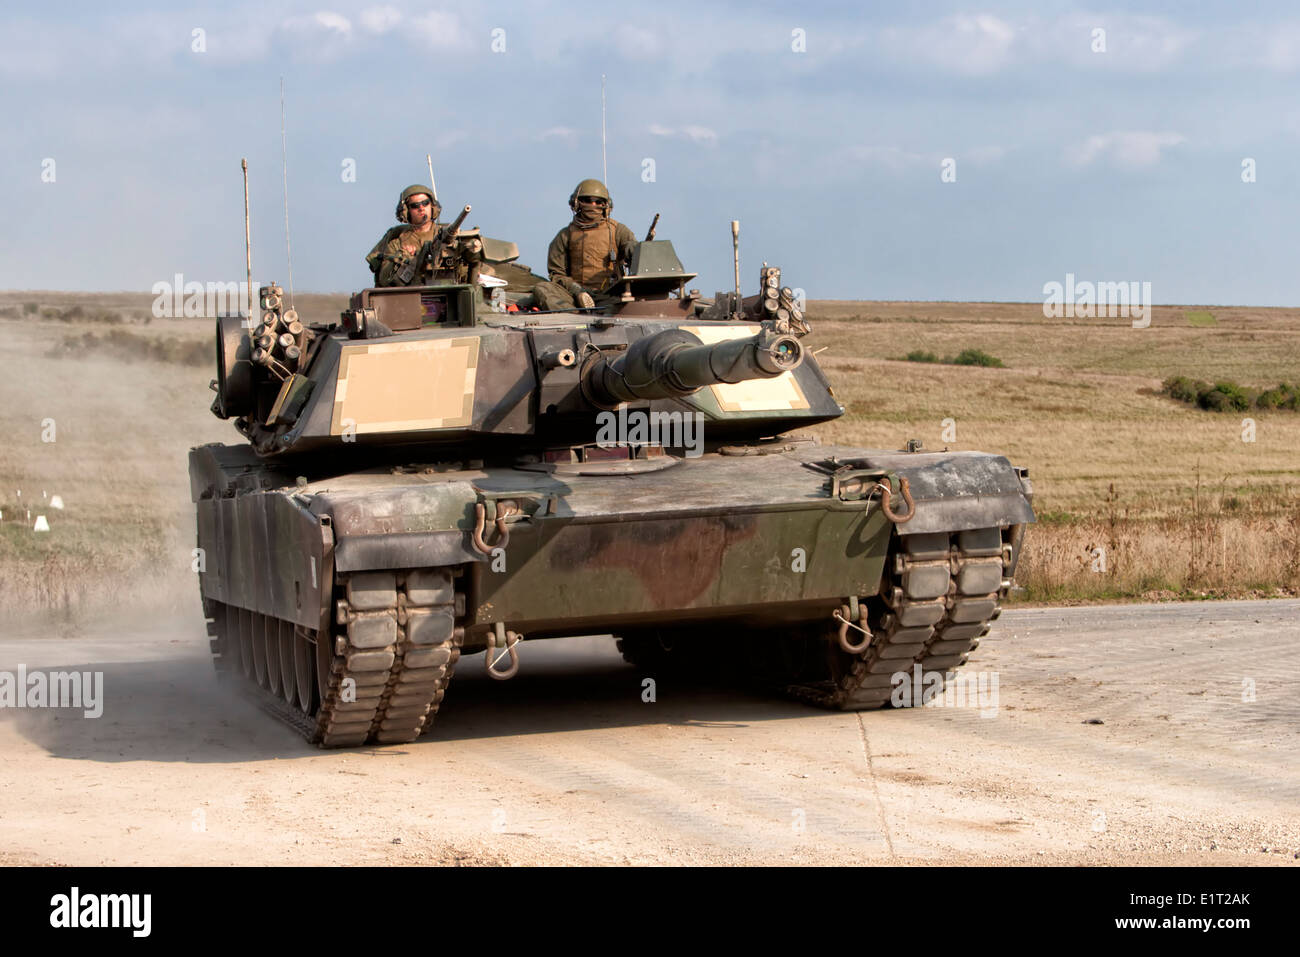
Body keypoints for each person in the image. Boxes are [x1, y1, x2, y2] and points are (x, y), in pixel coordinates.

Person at [531, 179, 637, 311]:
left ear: (606, 205)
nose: (593, 205)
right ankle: (573, 316)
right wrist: (576, 290)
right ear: (576, 203)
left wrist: (633, 249)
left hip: (609, 294)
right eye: (588, 200)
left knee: (626, 305)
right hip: (575, 295)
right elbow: (557, 274)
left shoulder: (618, 230)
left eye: (598, 202)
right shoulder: (565, 235)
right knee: (543, 288)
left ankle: (599, 314)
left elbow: (633, 248)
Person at [364, 185, 444, 286]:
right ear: (406, 211)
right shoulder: (397, 242)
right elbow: (385, 279)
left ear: (432, 206)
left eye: (425, 203)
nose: (421, 208)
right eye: (415, 205)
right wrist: (401, 258)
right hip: (408, 297)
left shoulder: (445, 237)